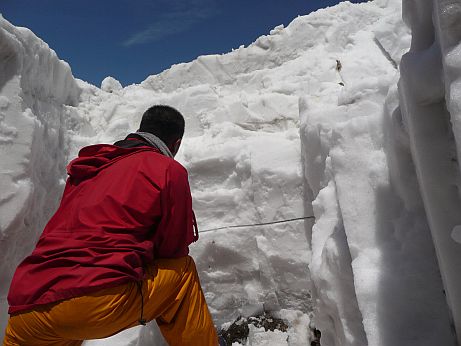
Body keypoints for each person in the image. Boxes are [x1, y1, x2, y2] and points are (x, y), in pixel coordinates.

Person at [3, 105, 218, 345]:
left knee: (65, 327)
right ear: (176, 144)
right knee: (183, 273)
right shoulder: (168, 170)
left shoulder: (89, 169)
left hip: (27, 308)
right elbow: (173, 250)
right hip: (95, 302)